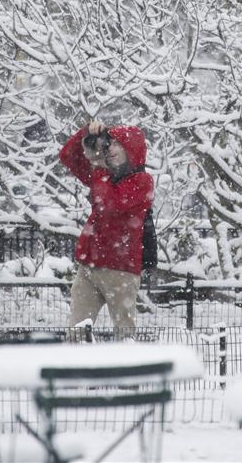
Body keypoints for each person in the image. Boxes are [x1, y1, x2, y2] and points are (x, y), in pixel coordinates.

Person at [59, 119, 154, 339]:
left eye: (118, 144)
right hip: (90, 265)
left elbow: (109, 205)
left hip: (121, 270)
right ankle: (74, 360)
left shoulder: (142, 181)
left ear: (132, 149)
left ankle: (123, 361)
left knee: (124, 333)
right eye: (109, 143)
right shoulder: (103, 175)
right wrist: (87, 133)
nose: (110, 148)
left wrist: (98, 165)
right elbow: (67, 156)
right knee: (76, 331)